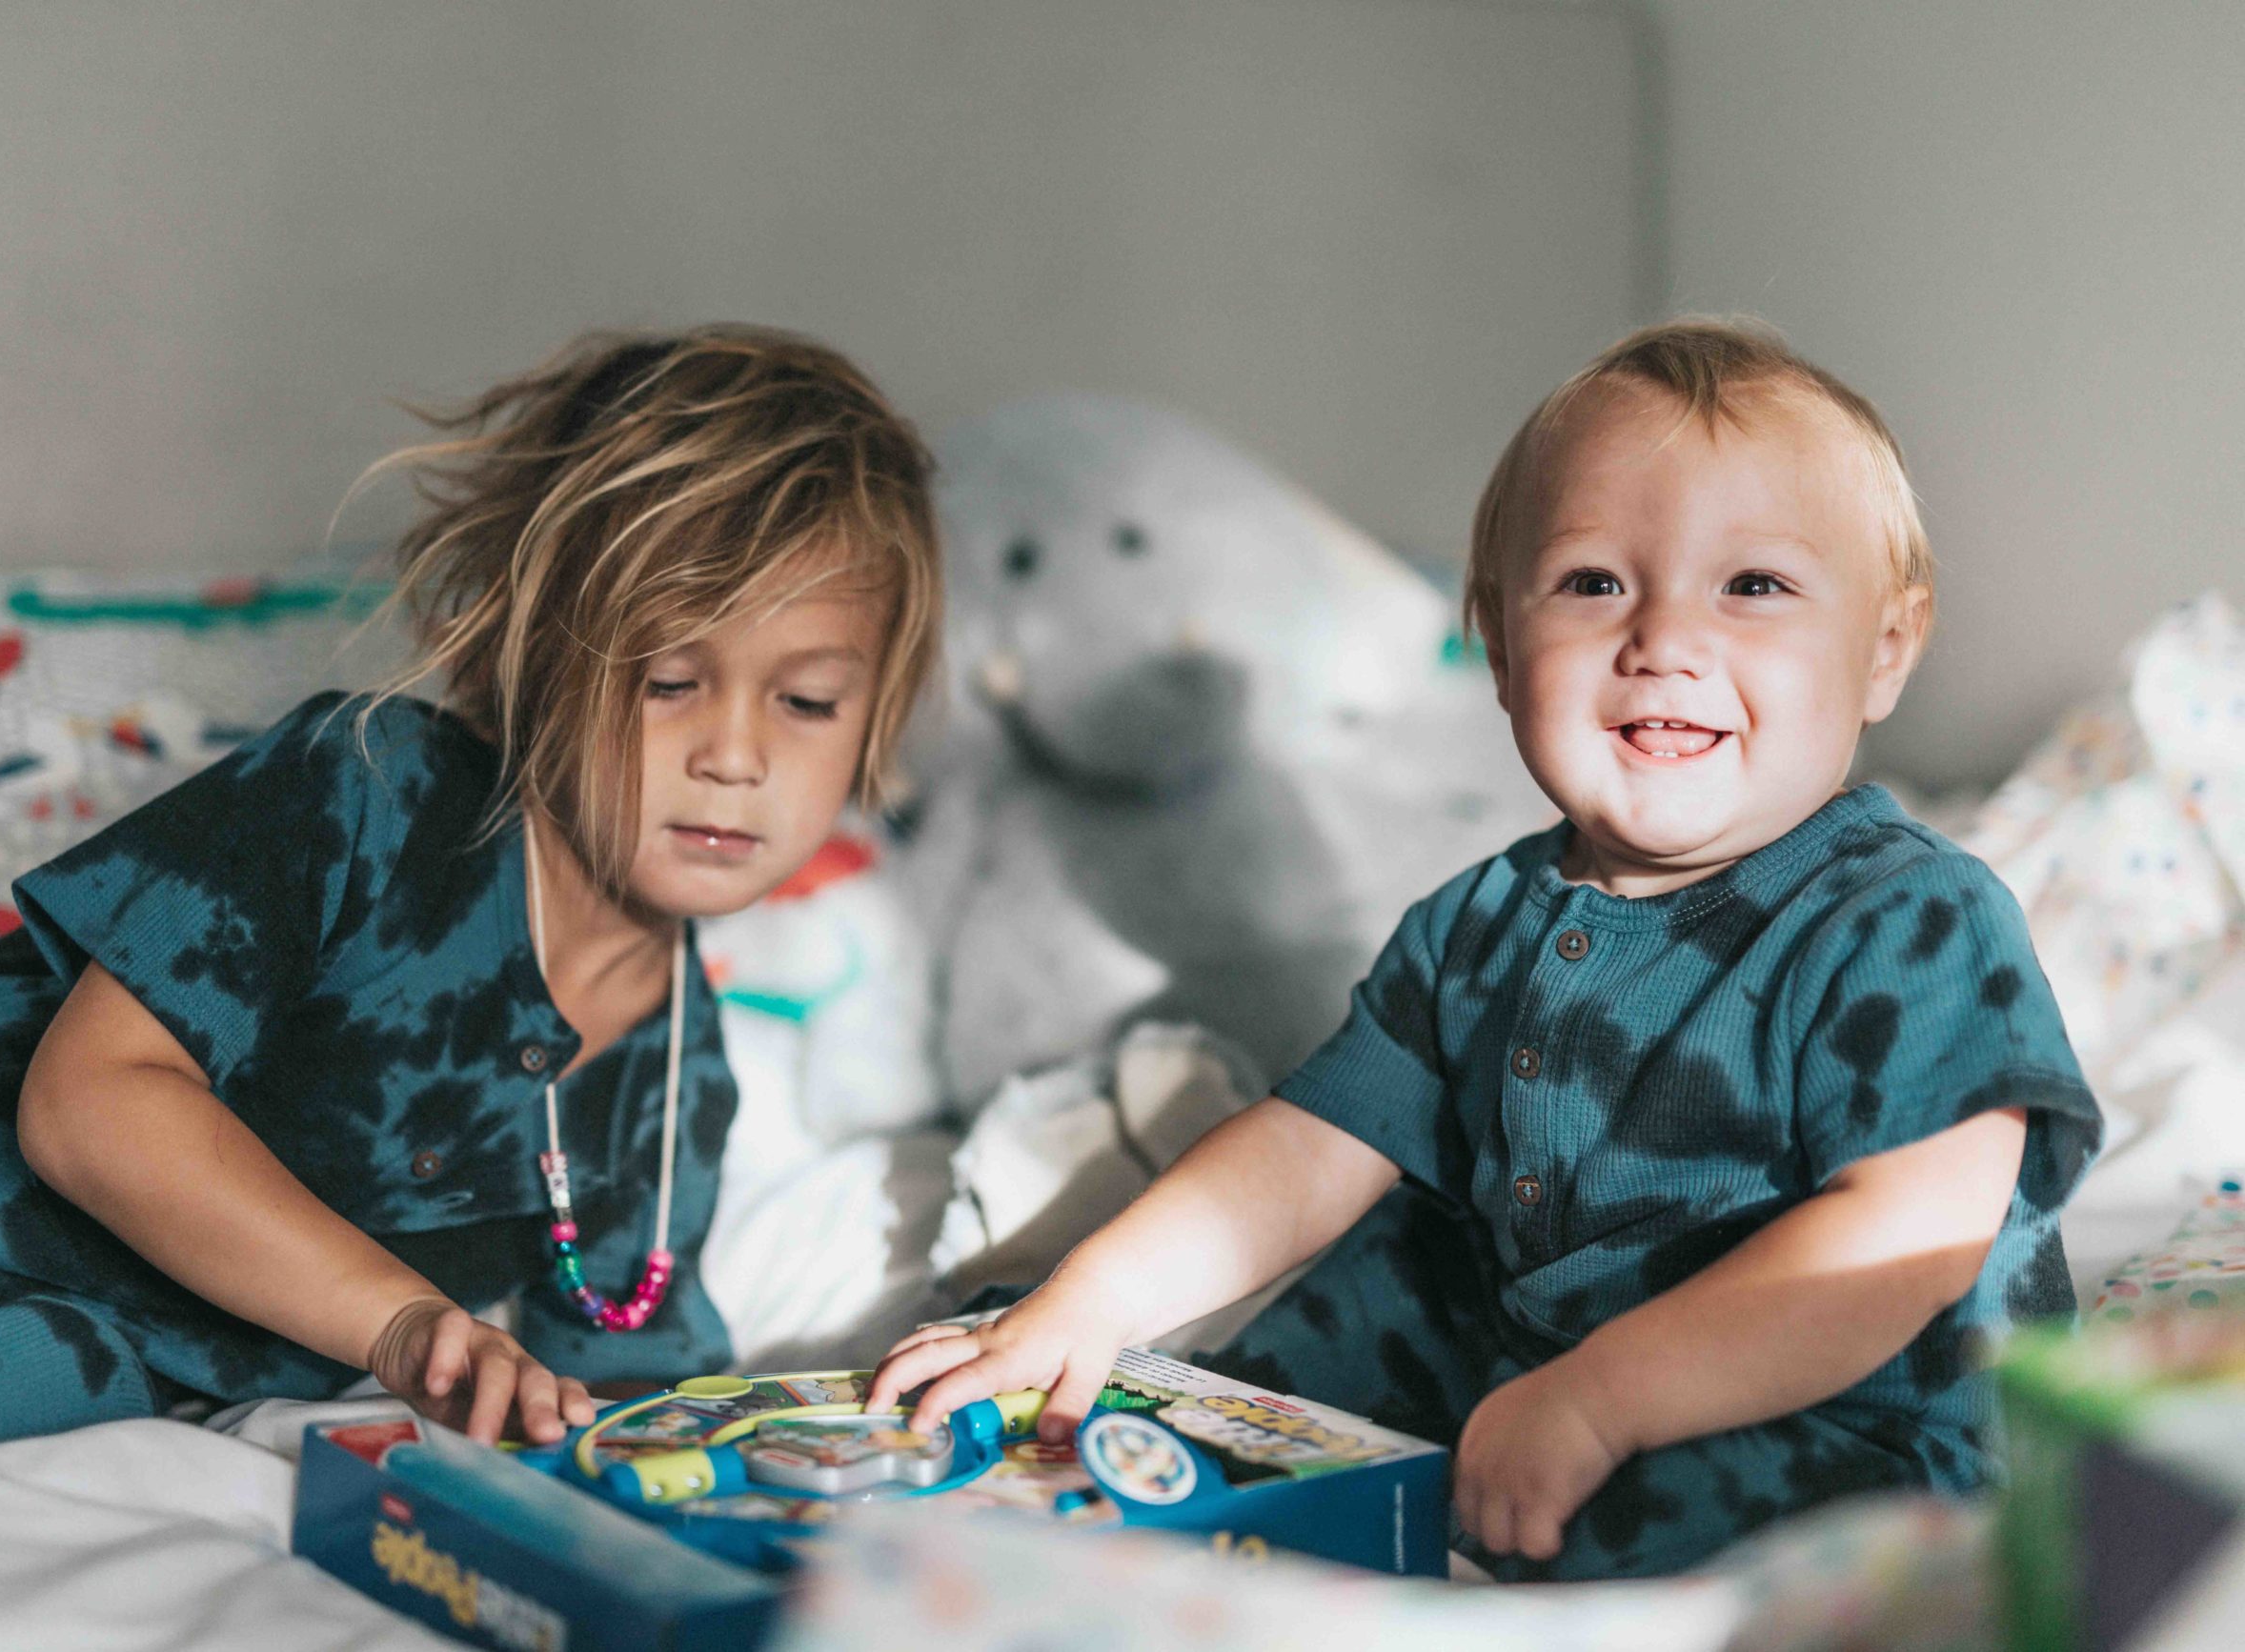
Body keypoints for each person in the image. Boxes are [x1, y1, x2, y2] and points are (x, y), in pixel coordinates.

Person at [870, 318, 2099, 1581]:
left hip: (1864, 1421)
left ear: (1885, 647)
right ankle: (1175, 1472)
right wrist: (1090, 1301)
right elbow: (1305, 1151)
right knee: (1359, 1279)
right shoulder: (1479, 921)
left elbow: (1902, 1241)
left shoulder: (1912, 920)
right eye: (1593, 583)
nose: (1666, 638)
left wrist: (1606, 1397)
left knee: (1652, 1532)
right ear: (1501, 651)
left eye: (1755, 586)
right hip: (1540, 1338)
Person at [0, 325, 940, 1488]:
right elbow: (89, 1105)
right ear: (530, 657)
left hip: (22, 1365)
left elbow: (624, 1398)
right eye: (669, 683)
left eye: (806, 701)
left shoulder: (674, 1075)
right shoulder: (368, 789)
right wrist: (397, 1324)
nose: (734, 755)